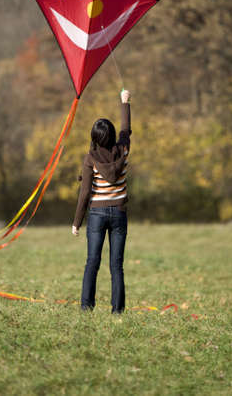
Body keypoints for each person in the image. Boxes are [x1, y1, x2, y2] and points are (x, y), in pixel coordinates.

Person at [72, 89, 131, 314]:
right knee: (117, 266)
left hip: (96, 215)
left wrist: (77, 222)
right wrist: (125, 102)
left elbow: (85, 193)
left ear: (94, 138)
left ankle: (87, 308)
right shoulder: (123, 149)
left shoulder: (90, 159)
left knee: (92, 263)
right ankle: (117, 311)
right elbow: (126, 130)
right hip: (119, 214)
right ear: (113, 135)